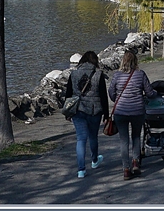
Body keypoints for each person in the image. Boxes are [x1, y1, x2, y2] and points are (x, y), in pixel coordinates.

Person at [107, 49, 154, 179]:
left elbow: (111, 93)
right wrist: (154, 95)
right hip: (137, 110)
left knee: (124, 140)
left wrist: (117, 99)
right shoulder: (140, 74)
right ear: (135, 61)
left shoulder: (117, 76)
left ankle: (126, 169)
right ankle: (135, 163)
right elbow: (149, 93)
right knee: (136, 137)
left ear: (123, 61)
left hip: (121, 111)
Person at [64, 51, 109, 179]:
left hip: (78, 110)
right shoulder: (98, 74)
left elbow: (68, 94)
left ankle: (81, 170)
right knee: (93, 136)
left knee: (81, 139)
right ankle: (94, 161)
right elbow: (103, 96)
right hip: (95, 110)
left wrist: (67, 112)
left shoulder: (73, 74)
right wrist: (106, 114)